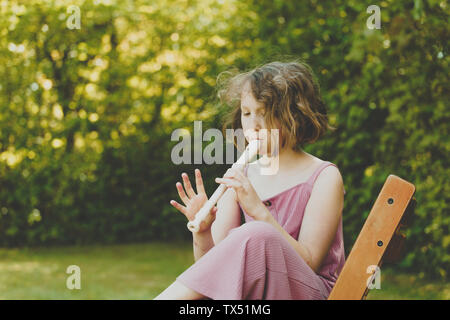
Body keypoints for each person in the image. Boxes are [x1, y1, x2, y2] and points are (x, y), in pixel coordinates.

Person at [154, 60, 346, 300]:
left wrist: (259, 211)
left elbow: (309, 263)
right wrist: (202, 233)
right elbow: (216, 277)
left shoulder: (325, 177)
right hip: (256, 298)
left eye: (263, 113)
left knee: (257, 233)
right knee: (254, 235)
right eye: (247, 113)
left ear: (294, 117)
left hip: (310, 292)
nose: (252, 125)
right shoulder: (239, 178)